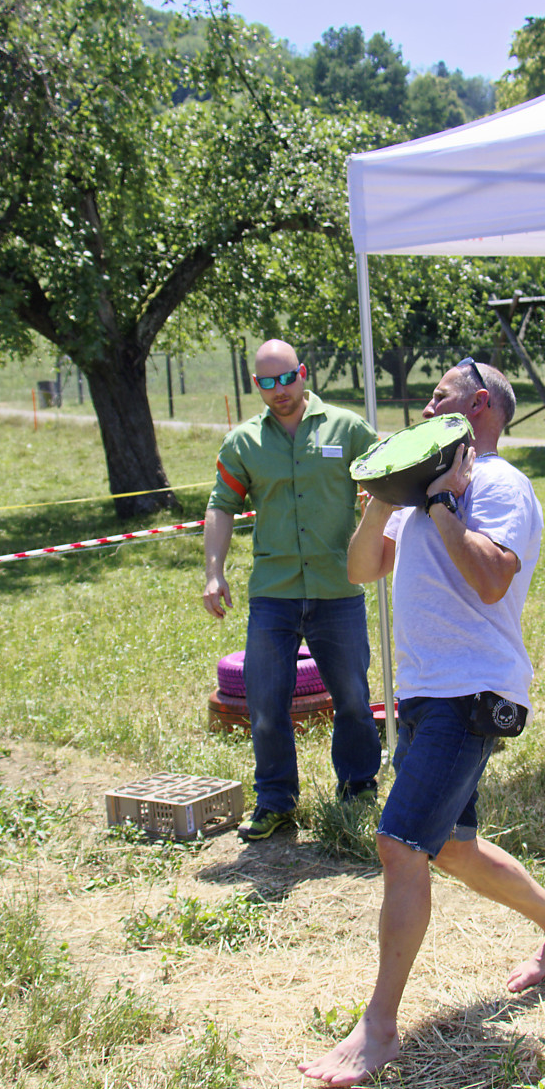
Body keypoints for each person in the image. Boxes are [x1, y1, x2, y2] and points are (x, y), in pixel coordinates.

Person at [300, 357, 545, 1088]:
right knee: (454, 849)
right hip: (426, 694)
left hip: (473, 693)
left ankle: (379, 1028)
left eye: (440, 398)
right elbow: (361, 570)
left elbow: (492, 577)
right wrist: (383, 501)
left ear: (480, 404)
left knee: (399, 844)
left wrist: (442, 503)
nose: (427, 409)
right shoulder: (423, 491)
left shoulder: (496, 483)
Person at [203, 340, 383, 841]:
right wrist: (214, 572)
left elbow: (384, 485)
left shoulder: (347, 428)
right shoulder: (243, 442)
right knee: (264, 704)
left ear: (303, 373)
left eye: (287, 378)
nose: (279, 390)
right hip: (273, 593)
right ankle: (276, 801)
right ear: (255, 385)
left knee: (352, 698)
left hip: (338, 588)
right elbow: (221, 505)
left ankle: (358, 789)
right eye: (267, 383)